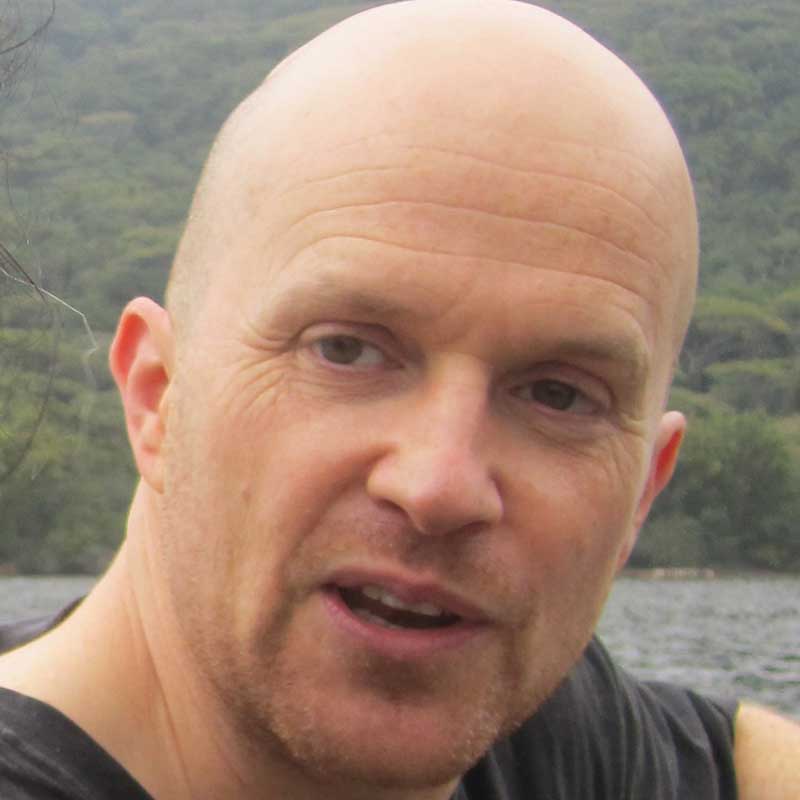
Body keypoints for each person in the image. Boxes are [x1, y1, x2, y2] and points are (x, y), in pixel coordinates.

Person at [0, 1, 798, 798]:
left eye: (559, 395)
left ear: (640, 497)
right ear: (158, 398)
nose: (439, 486)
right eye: (345, 350)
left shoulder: (550, 735)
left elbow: (731, 754)